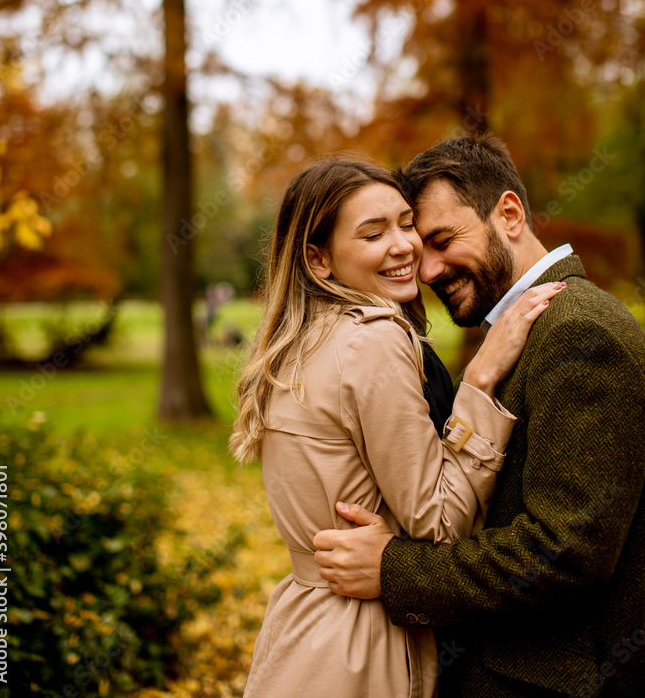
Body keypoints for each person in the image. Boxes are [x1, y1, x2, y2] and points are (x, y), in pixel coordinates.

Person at [313, 135, 645, 698]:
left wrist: (394, 570)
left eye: (443, 241)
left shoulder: (578, 333)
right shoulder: (530, 329)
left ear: (509, 214)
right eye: (423, 252)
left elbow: (566, 555)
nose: (431, 270)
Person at [231, 155, 563, 698]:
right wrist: (477, 386)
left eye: (406, 223)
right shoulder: (374, 340)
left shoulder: (296, 344)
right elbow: (438, 523)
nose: (406, 245)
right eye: (373, 233)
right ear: (318, 260)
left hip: (300, 633)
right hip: (363, 647)